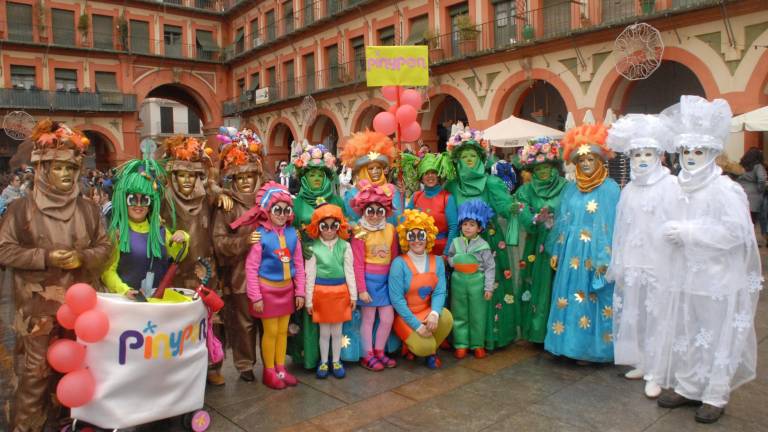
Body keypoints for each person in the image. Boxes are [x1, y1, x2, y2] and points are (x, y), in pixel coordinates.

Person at [652, 96, 761, 423]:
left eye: (698, 152)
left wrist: (688, 232)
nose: (690, 157)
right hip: (685, 275)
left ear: (712, 154)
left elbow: (736, 232)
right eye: (686, 151)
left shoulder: (725, 189)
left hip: (717, 278)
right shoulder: (679, 188)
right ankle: (688, 386)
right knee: (687, 331)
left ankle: (715, 394)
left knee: (716, 336)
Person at [0, 120, 112, 431]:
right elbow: (4, 250)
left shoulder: (89, 209)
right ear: (43, 170)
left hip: (81, 312)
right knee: (35, 374)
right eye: (58, 168)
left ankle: (70, 422)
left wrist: (82, 257)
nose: (65, 174)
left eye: (70, 169)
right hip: (37, 311)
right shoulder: (21, 209)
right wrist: (45, 257)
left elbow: (105, 247)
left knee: (79, 368)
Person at [605, 114, 680, 398]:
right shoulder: (629, 189)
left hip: (660, 262)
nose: (642, 159)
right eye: (637, 154)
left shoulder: (670, 185)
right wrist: (619, 260)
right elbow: (621, 228)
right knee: (636, 312)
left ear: (659, 155)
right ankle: (641, 360)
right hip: (634, 260)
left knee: (659, 314)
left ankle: (658, 370)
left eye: (648, 153)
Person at [160, 134, 234, 386]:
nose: (187, 180)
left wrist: (220, 193)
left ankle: (213, 365)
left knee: (210, 317)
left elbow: (214, 187)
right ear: (173, 176)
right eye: (182, 175)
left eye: (192, 176)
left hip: (205, 267)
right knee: (179, 320)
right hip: (175, 270)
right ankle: (180, 368)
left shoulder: (206, 195)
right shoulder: (164, 198)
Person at [544, 123, 620, 364]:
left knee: (590, 297)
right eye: (581, 160)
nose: (586, 164)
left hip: (595, 252)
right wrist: (557, 249)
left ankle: (588, 349)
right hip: (571, 252)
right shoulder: (572, 189)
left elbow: (612, 224)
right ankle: (567, 345)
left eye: (590, 159)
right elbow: (563, 221)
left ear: (600, 160)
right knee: (569, 296)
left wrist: (605, 257)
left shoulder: (610, 188)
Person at [443, 127, 519, 351]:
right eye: (464, 156)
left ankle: (487, 337)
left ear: (480, 158)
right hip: (462, 245)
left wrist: (513, 208)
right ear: (457, 160)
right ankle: (462, 339)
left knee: (489, 288)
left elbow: (504, 207)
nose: (468, 160)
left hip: (489, 243)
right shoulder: (452, 185)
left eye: (473, 156)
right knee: (462, 294)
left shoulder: (491, 183)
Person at [234, 181, 306, 390]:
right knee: (271, 332)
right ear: (268, 210)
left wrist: (300, 291)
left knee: (283, 332)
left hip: (287, 290)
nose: (282, 214)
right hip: (267, 291)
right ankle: (269, 371)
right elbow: (251, 268)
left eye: (286, 210)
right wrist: (255, 296)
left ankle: (280, 368)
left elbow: (299, 265)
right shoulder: (261, 236)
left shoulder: (293, 234)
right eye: (277, 210)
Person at [212, 129, 265, 382]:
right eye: (240, 177)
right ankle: (245, 365)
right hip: (240, 275)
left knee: (270, 322)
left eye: (249, 176)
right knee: (244, 322)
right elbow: (219, 241)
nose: (245, 182)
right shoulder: (227, 206)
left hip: (270, 274)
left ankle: (272, 362)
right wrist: (244, 242)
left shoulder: (269, 199)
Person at [288, 143, 347, 370]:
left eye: (319, 175)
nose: (315, 178)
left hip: (330, 264)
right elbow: (289, 230)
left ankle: (333, 358)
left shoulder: (336, 201)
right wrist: (299, 246)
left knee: (331, 313)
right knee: (308, 308)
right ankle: (310, 356)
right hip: (304, 264)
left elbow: (344, 232)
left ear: (326, 177)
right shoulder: (297, 203)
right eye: (311, 174)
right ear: (304, 177)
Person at [514, 137, 567, 344]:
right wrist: (536, 219)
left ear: (554, 167)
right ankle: (538, 333)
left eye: (547, 167)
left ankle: (560, 334)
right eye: (538, 169)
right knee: (538, 285)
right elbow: (523, 215)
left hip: (563, 245)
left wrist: (557, 219)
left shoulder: (567, 187)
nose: (543, 171)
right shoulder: (525, 191)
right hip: (536, 246)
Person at [389, 209, 453, 368]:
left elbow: (439, 291)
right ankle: (424, 348)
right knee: (423, 347)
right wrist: (417, 326)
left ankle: (430, 350)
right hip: (406, 316)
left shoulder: (437, 261)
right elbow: (397, 300)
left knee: (446, 317)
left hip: (426, 312)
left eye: (421, 235)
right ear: (405, 238)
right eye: (412, 236)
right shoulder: (399, 264)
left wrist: (434, 314)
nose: (416, 240)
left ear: (428, 236)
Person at [348, 180, 399, 371]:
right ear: (363, 211)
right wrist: (361, 289)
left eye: (380, 211)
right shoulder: (360, 232)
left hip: (386, 283)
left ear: (385, 211)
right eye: (371, 211)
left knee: (387, 318)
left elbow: (394, 258)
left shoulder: (390, 230)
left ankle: (379, 351)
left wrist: (395, 284)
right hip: (368, 282)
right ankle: (367, 354)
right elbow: (357, 263)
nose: (375, 216)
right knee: (368, 319)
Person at [304, 204, 356, 379]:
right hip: (321, 294)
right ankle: (324, 361)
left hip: (340, 293)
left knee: (337, 331)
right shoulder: (313, 248)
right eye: (324, 226)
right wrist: (309, 300)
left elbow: (350, 272)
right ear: (317, 227)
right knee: (324, 332)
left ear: (339, 226)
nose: (329, 230)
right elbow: (310, 276)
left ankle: (336, 360)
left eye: (333, 225)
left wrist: (353, 295)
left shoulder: (345, 246)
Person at [445, 199, 496, 359]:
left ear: (479, 228)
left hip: (477, 284)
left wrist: (488, 288)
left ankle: (477, 344)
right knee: (459, 313)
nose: (467, 227)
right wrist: (454, 262)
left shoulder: (483, 246)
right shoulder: (456, 242)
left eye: (472, 224)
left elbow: (490, 267)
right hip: (458, 283)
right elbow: (450, 257)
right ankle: (461, 344)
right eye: (465, 224)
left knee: (477, 315)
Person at [340, 131, 403, 224]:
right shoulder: (352, 194)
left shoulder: (392, 191)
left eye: (378, 168)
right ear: (363, 171)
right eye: (371, 168)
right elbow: (352, 221)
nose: (376, 171)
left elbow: (399, 218)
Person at [405, 152, 458, 256]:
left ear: (438, 176)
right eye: (426, 173)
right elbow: (405, 222)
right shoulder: (416, 196)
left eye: (433, 172)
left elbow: (453, 228)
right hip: (418, 250)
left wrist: (446, 253)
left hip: (440, 251)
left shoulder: (447, 197)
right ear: (421, 177)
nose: (430, 176)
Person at [735, 147, 766, 246]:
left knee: (742, 219)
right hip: (753, 197)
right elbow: (762, 179)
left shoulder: (740, 165)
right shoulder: (758, 166)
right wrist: (761, 190)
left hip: (740, 194)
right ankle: (751, 242)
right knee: (752, 220)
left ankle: (743, 240)